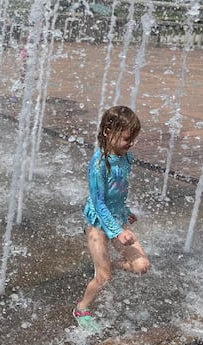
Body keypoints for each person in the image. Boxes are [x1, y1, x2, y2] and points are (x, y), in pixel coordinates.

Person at [74, 106, 151, 332]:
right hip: (98, 224)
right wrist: (117, 231)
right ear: (109, 131)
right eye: (128, 139)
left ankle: (106, 266)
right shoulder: (99, 165)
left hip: (117, 218)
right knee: (104, 278)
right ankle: (82, 308)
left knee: (142, 266)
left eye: (133, 139)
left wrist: (125, 212)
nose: (132, 144)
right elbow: (99, 203)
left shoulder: (126, 157)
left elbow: (119, 190)